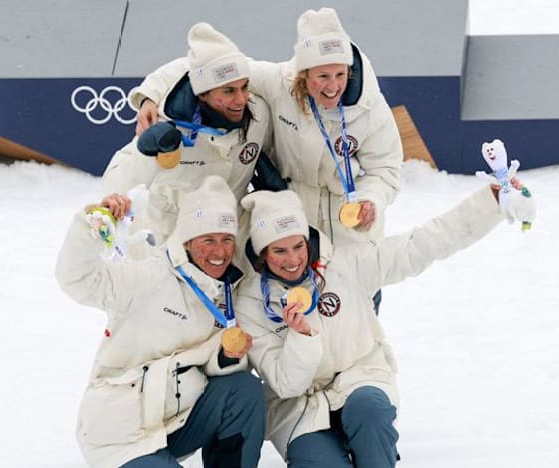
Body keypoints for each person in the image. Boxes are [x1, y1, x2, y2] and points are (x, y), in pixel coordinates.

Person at [232, 181, 537, 467]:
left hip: (359, 379)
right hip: (299, 407)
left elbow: (421, 244)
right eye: (279, 251)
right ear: (261, 254)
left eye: (298, 246)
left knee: (369, 412)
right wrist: (300, 337)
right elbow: (288, 385)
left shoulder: (344, 264)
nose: (292, 260)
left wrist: (489, 203)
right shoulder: (250, 303)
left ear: (308, 241)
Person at [133, 8, 402, 247]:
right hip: (290, 214)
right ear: (303, 73)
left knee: (352, 298)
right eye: (322, 76)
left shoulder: (369, 106)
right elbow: (207, 64)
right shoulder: (278, 83)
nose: (333, 87)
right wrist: (150, 95)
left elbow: (385, 169)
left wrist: (371, 200)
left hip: (348, 219)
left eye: (340, 74)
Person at [55, 176, 265, 468]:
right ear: (188, 242)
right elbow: (77, 280)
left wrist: (225, 357)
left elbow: (207, 361)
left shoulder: (225, 291)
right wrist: (94, 222)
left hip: (173, 422)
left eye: (227, 239)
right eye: (208, 240)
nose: (220, 252)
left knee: (244, 390)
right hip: (121, 434)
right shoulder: (150, 277)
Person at [105, 22, 282, 250]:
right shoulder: (167, 126)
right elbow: (116, 185)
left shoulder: (259, 115)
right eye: (228, 91)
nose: (240, 99)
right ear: (202, 94)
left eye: (244, 86)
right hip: (170, 239)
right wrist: (146, 153)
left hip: (228, 238)